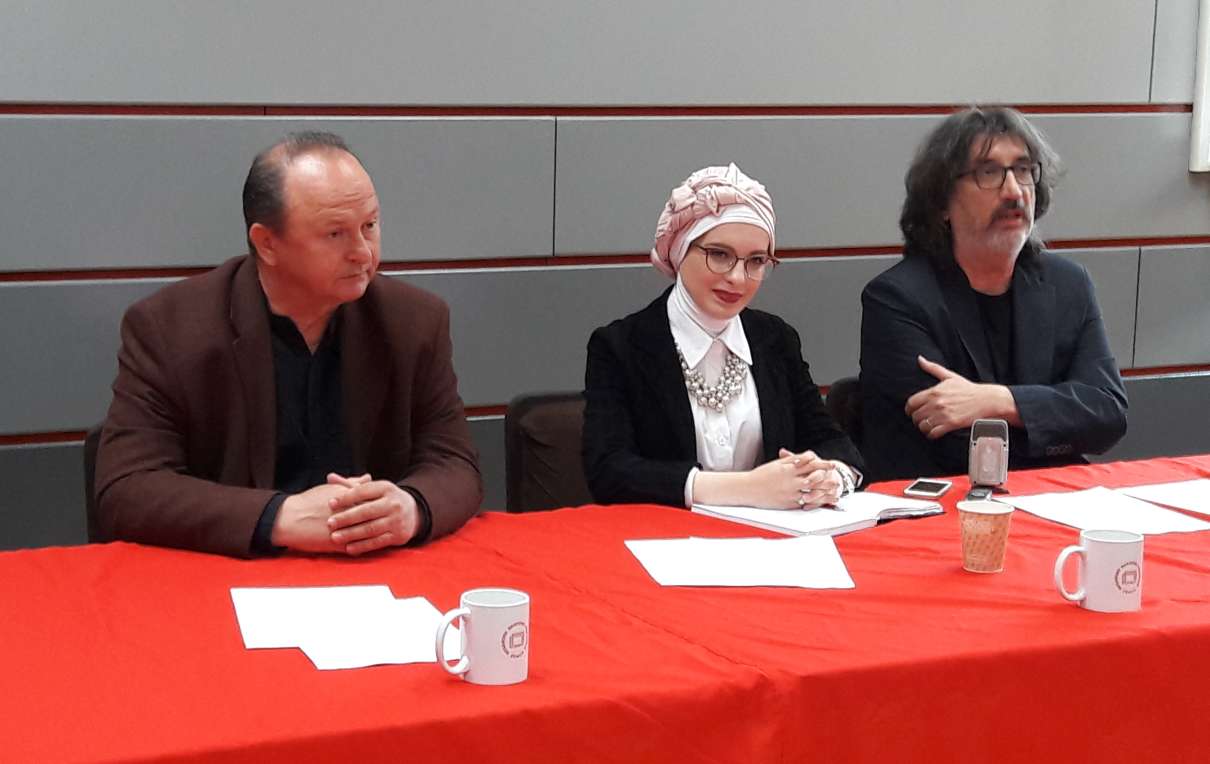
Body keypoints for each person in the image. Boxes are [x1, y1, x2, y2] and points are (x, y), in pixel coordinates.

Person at [95, 131, 482, 557]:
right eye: (335, 234)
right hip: (231, 572)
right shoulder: (170, 328)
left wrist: (410, 507)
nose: (362, 252)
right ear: (267, 243)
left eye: (369, 226)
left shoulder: (414, 321)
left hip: (373, 571)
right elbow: (127, 489)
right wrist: (280, 517)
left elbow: (455, 462)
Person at [859, 107, 1127, 482]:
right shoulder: (897, 298)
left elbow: (1107, 413)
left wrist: (998, 401)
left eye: (1023, 170)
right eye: (989, 173)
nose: (1014, 191)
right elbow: (951, 441)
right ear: (941, 203)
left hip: (1052, 495)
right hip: (947, 498)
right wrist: (1053, 421)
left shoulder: (1068, 283)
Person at [583, 163, 863, 510]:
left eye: (756, 261)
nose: (737, 278)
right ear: (679, 250)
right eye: (719, 255)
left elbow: (832, 443)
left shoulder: (775, 338)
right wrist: (746, 488)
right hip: (667, 535)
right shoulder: (620, 346)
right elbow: (609, 473)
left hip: (774, 535)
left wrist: (832, 477)